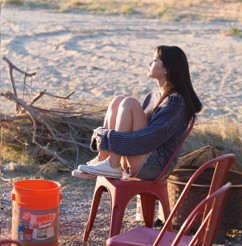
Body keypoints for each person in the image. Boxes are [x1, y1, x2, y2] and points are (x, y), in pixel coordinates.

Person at [72, 45, 202, 180]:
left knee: (130, 103)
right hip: (141, 156)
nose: (150, 63)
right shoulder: (154, 95)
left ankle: (112, 164)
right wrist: (107, 139)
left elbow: (149, 139)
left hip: (155, 167)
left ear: (167, 69)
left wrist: (104, 137)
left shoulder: (176, 103)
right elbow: (135, 128)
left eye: (155, 60)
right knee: (118, 101)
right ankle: (103, 159)